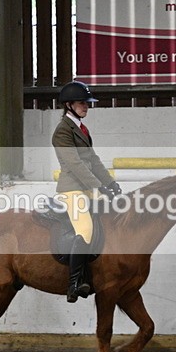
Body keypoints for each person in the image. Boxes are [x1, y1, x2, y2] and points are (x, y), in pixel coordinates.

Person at [52, 81, 122, 303]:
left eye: (87, 103)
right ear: (69, 104)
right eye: (82, 103)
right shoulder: (62, 131)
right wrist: (98, 186)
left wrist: (110, 183)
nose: (86, 107)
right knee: (85, 227)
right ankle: (73, 283)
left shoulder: (81, 129)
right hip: (72, 188)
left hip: (88, 187)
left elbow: (93, 160)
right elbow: (75, 164)